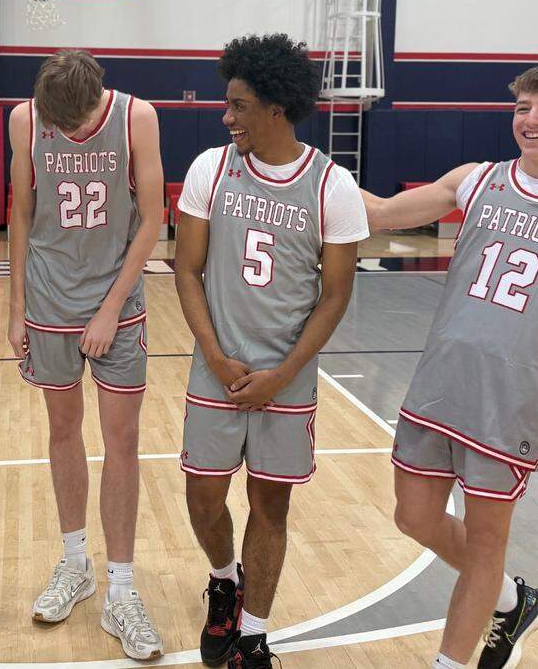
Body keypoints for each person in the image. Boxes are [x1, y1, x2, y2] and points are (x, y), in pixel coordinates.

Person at [360, 64, 538, 669]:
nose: (531, 119)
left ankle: (451, 660)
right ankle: (514, 601)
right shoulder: (477, 180)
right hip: (440, 384)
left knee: (488, 541)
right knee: (413, 517)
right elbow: (380, 213)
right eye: (522, 107)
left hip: (514, 401)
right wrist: (307, 175)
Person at [174, 34, 367, 669]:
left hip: (288, 375)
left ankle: (253, 635)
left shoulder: (333, 186)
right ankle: (226, 582)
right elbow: (186, 269)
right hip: (218, 367)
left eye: (238, 104)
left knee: (270, 502)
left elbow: (336, 295)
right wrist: (218, 356)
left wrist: (284, 373)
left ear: (276, 108)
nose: (227, 116)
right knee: (203, 495)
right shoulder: (211, 169)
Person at [7, 50, 166, 661]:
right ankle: (75, 563)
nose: (66, 136)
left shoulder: (138, 117)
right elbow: (21, 213)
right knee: (62, 430)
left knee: (121, 440)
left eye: (74, 126)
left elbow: (153, 219)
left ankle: (121, 590)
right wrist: (16, 301)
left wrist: (109, 309)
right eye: (58, 127)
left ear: (96, 100)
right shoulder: (25, 119)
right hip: (48, 297)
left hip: (116, 301)